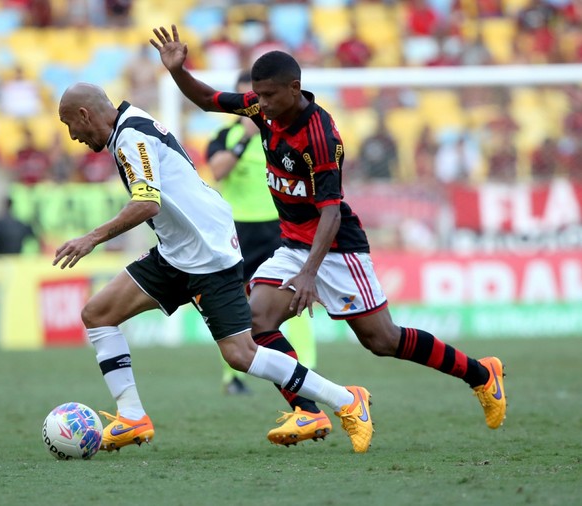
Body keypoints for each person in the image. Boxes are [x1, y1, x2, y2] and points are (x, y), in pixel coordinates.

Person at [151, 25, 507, 448]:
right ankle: (308, 411)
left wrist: (307, 274)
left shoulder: (320, 135)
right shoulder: (263, 111)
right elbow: (210, 100)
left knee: (382, 340)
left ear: (294, 88)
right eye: (257, 96)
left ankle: (482, 375)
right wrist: (178, 72)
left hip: (336, 247)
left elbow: (331, 211)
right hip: (294, 244)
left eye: (267, 96)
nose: (259, 104)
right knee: (256, 322)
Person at [54, 82, 373, 453]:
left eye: (69, 125)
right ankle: (131, 417)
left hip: (208, 253)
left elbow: (146, 204)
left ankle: (347, 399)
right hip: (177, 252)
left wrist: (91, 238)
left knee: (241, 354)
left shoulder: (130, 138)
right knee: (98, 314)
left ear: (84, 115)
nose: (72, 136)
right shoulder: (130, 123)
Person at [206, 70, 317, 395]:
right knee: (234, 303)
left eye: (257, 99)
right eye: (246, 100)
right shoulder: (226, 135)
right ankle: (234, 377)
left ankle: (306, 367)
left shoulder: (282, 134)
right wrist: (244, 137)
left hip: (277, 228)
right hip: (236, 230)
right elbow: (217, 170)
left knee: (293, 297)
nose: (254, 107)